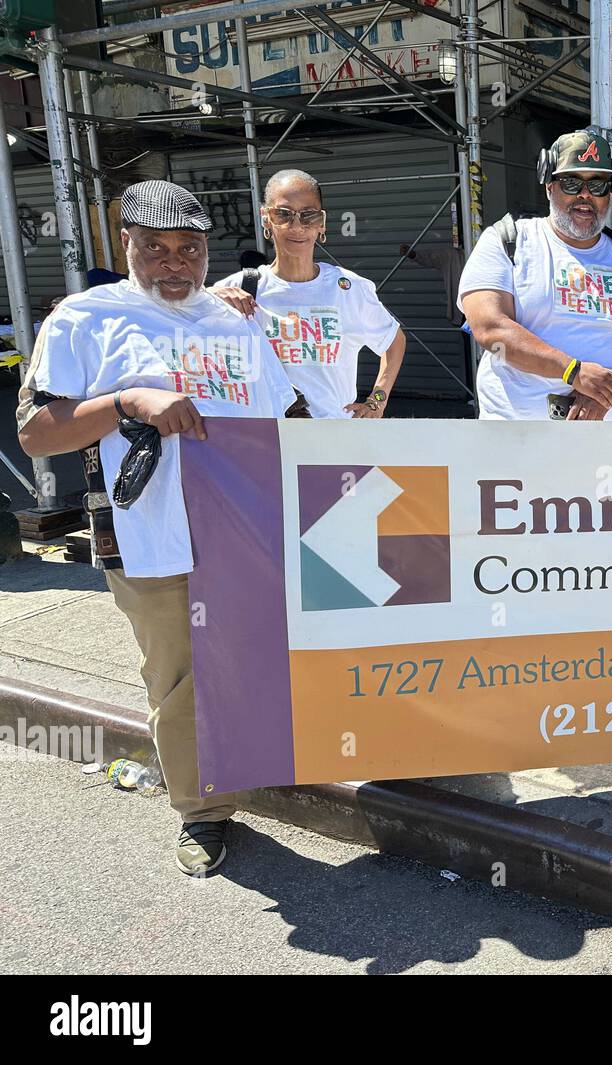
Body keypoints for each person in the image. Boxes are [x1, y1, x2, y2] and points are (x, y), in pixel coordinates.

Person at [15, 181, 300, 876]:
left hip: (248, 533)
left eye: (190, 248)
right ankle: (202, 811)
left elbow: (283, 418)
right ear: (127, 245)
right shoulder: (86, 318)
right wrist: (126, 401)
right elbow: (35, 434)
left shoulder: (235, 318)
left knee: (251, 661)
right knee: (179, 680)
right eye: (155, 248)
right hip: (154, 533)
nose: (175, 263)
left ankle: (255, 764)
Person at [459, 129, 612, 421]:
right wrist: (574, 372)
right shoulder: (506, 241)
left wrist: (608, 390)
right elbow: (490, 329)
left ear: (610, 193)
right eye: (571, 183)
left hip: (610, 450)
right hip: (516, 443)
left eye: (598, 185)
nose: (585, 195)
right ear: (549, 184)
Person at [210, 169, 406, 419]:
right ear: (265, 218)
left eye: (308, 215)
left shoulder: (348, 289)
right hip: (263, 440)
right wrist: (207, 297)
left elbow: (394, 341)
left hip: (333, 441)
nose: (297, 226)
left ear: (322, 222)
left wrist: (377, 401)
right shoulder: (242, 288)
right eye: (283, 214)